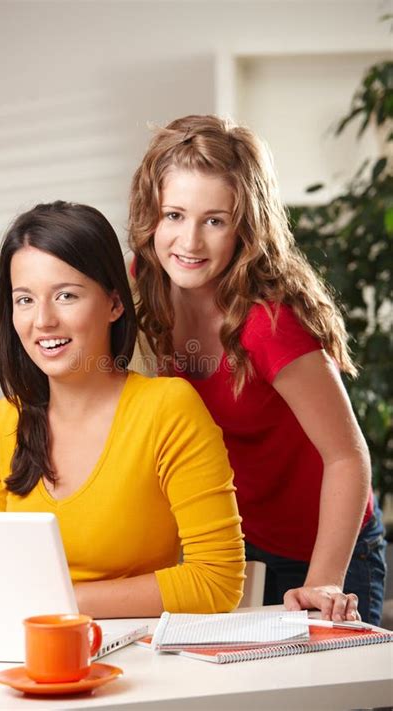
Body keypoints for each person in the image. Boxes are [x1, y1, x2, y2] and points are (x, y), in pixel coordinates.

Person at [128, 115, 386, 625]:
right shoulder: (144, 287)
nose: (190, 241)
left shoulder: (268, 324)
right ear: (150, 216)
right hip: (236, 547)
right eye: (174, 215)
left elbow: (347, 457)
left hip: (325, 552)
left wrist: (324, 581)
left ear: (245, 225)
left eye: (215, 220)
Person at [0, 200, 245, 619]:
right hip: (28, 654)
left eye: (66, 295)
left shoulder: (166, 409)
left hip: (141, 662)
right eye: (24, 300)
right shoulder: (2, 422)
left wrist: (59, 603)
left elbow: (217, 580)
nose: (42, 320)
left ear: (115, 304)